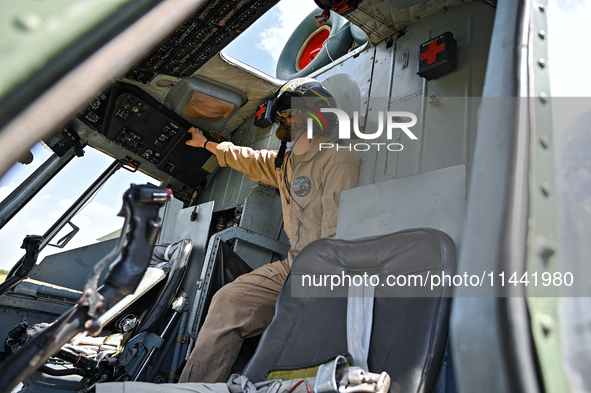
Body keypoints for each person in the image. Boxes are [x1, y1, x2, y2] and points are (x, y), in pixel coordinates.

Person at [179, 78, 360, 383]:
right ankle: (194, 388)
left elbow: (336, 236)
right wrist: (207, 144)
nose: (288, 121)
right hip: (293, 265)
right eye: (285, 115)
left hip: (329, 271)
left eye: (296, 113)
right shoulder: (285, 164)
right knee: (229, 300)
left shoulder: (338, 160)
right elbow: (247, 159)